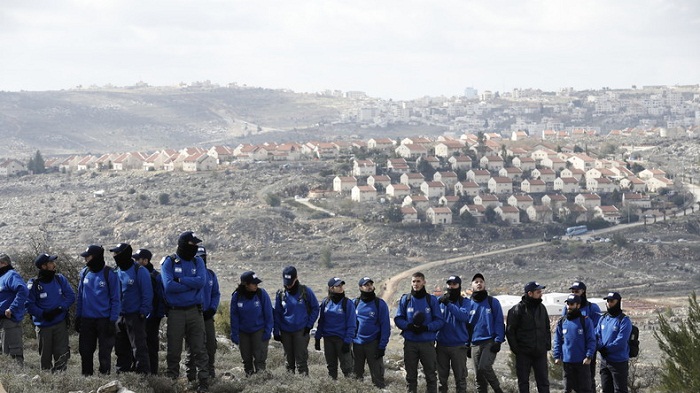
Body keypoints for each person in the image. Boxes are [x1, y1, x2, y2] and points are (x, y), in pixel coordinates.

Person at [161, 231, 209, 392]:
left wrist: (180, 280)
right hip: (176, 313)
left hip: (195, 312)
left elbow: (201, 281)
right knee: (174, 351)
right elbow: (168, 286)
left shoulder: (198, 262)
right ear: (183, 244)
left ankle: (203, 383)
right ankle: (172, 383)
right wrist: (191, 284)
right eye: (192, 244)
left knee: (199, 349)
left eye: (196, 245)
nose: (195, 247)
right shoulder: (169, 262)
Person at [394, 271, 445, 393]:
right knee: (411, 377)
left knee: (431, 376)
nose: (415, 284)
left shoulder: (431, 300)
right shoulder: (405, 299)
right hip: (410, 343)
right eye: (413, 281)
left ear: (424, 282)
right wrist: (409, 326)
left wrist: (426, 328)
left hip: (427, 343)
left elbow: (439, 321)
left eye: (418, 281)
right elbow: (398, 318)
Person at [76, 245, 121, 376]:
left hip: (104, 320)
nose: (85, 260)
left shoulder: (110, 274)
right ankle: (87, 378)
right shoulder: (85, 273)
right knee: (85, 351)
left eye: (87, 257)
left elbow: (115, 299)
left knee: (104, 353)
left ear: (95, 257)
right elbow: (80, 297)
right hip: (87, 320)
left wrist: (113, 321)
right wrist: (78, 316)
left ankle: (104, 379)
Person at [26, 253, 76, 371]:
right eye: (51, 263)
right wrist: (43, 314)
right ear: (43, 266)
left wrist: (60, 308)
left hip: (60, 324)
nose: (54, 265)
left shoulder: (59, 279)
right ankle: (48, 381)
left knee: (62, 355)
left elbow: (71, 296)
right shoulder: (34, 284)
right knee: (45, 357)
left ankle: (61, 381)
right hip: (44, 327)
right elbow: (28, 305)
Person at [111, 243, 153, 374]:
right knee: (121, 349)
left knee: (139, 349)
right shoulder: (116, 271)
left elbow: (147, 293)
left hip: (135, 316)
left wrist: (143, 313)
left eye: (117, 254)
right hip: (119, 317)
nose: (115, 256)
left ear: (125, 253)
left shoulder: (139, 271)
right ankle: (123, 377)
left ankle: (143, 378)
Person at [273, 265, 320, 375]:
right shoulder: (280, 294)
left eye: (290, 282)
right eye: (286, 283)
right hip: (285, 332)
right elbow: (277, 313)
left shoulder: (305, 291)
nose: (288, 286)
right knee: (288, 363)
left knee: (301, 361)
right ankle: (290, 385)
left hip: (301, 331)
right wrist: (276, 331)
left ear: (296, 278)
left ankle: (304, 386)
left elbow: (315, 308)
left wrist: (309, 326)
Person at [506, 281, 551, 393]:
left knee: (543, 382)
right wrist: (517, 350)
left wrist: (547, 345)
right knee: (523, 382)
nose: (541, 294)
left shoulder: (542, 308)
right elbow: (510, 331)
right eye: (538, 292)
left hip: (540, 352)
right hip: (524, 353)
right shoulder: (517, 310)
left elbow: (546, 328)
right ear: (530, 293)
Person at [186, 246, 220, 381]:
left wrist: (212, 308)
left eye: (203, 257)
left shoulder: (210, 274)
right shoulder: (190, 274)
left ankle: (210, 374)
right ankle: (191, 377)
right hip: (193, 316)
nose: (201, 259)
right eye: (198, 257)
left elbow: (216, 293)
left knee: (211, 345)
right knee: (193, 347)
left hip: (207, 317)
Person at [230, 271, 273, 376]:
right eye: (254, 283)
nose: (256, 285)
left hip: (259, 330)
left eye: (257, 283)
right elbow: (234, 316)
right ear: (246, 284)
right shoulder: (236, 296)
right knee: (246, 359)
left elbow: (269, 314)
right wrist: (234, 333)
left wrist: (268, 331)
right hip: (243, 332)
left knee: (260, 359)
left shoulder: (261, 294)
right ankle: (249, 379)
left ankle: (260, 381)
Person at [467, 273, 505, 393]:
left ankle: (498, 390)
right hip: (474, 343)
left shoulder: (492, 302)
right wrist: (467, 343)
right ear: (472, 285)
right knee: (478, 375)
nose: (479, 283)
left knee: (484, 367)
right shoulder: (468, 304)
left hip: (489, 341)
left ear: (484, 284)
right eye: (476, 281)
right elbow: (466, 325)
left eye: (481, 281)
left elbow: (499, 321)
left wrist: (498, 340)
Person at [562, 281, 601, 391]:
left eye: (577, 291)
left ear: (583, 292)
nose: (574, 293)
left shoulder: (592, 308)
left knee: (588, 379)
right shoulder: (567, 308)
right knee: (570, 381)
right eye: (572, 291)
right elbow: (564, 325)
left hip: (587, 349)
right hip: (572, 351)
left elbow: (597, 329)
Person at [353, 276, 390, 388]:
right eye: (366, 285)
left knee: (377, 377)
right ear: (360, 287)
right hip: (357, 344)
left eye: (370, 284)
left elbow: (385, 327)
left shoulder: (380, 304)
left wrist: (382, 346)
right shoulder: (354, 303)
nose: (369, 287)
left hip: (373, 344)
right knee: (356, 377)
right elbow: (349, 324)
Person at [315, 277, 356, 379]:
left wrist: (347, 341)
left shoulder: (347, 303)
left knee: (347, 368)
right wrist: (317, 337)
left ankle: (352, 387)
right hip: (328, 339)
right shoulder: (326, 302)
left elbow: (352, 324)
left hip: (342, 340)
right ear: (331, 288)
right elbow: (322, 321)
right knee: (331, 367)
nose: (341, 287)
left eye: (342, 285)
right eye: (338, 286)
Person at [553, 294, 596, 393]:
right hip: (567, 363)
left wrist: (589, 356)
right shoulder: (562, 322)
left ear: (578, 305)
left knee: (584, 389)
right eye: (567, 304)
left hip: (582, 362)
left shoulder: (585, 321)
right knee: (567, 389)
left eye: (572, 304)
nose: (569, 306)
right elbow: (558, 340)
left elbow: (591, 340)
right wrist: (556, 356)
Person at [133, 248, 166, 375]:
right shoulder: (135, 273)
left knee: (151, 346)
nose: (135, 261)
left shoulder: (155, 276)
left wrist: (156, 316)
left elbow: (161, 297)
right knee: (137, 347)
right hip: (137, 316)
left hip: (151, 318)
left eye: (138, 259)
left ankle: (152, 374)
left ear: (145, 261)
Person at [436, 275, 471, 393]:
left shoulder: (465, 302)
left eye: (454, 284)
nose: (451, 287)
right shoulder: (439, 302)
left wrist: (448, 304)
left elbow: (463, 316)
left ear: (459, 286)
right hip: (441, 345)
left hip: (458, 346)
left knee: (460, 379)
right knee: (441, 380)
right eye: (449, 284)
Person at [596, 292, 632, 393]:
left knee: (620, 390)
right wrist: (600, 347)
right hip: (604, 361)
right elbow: (597, 335)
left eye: (612, 301)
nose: (609, 303)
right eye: (607, 301)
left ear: (618, 302)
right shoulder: (603, 319)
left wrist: (606, 349)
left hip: (618, 362)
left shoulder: (624, 320)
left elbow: (621, 340)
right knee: (606, 389)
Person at [0, 253, 28, 366]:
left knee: (13, 354)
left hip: (9, 320)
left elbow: (23, 291)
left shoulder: (11, 275)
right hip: (1, 322)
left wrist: (12, 308)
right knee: (3, 353)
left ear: (4, 263)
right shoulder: (1, 277)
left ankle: (18, 378)